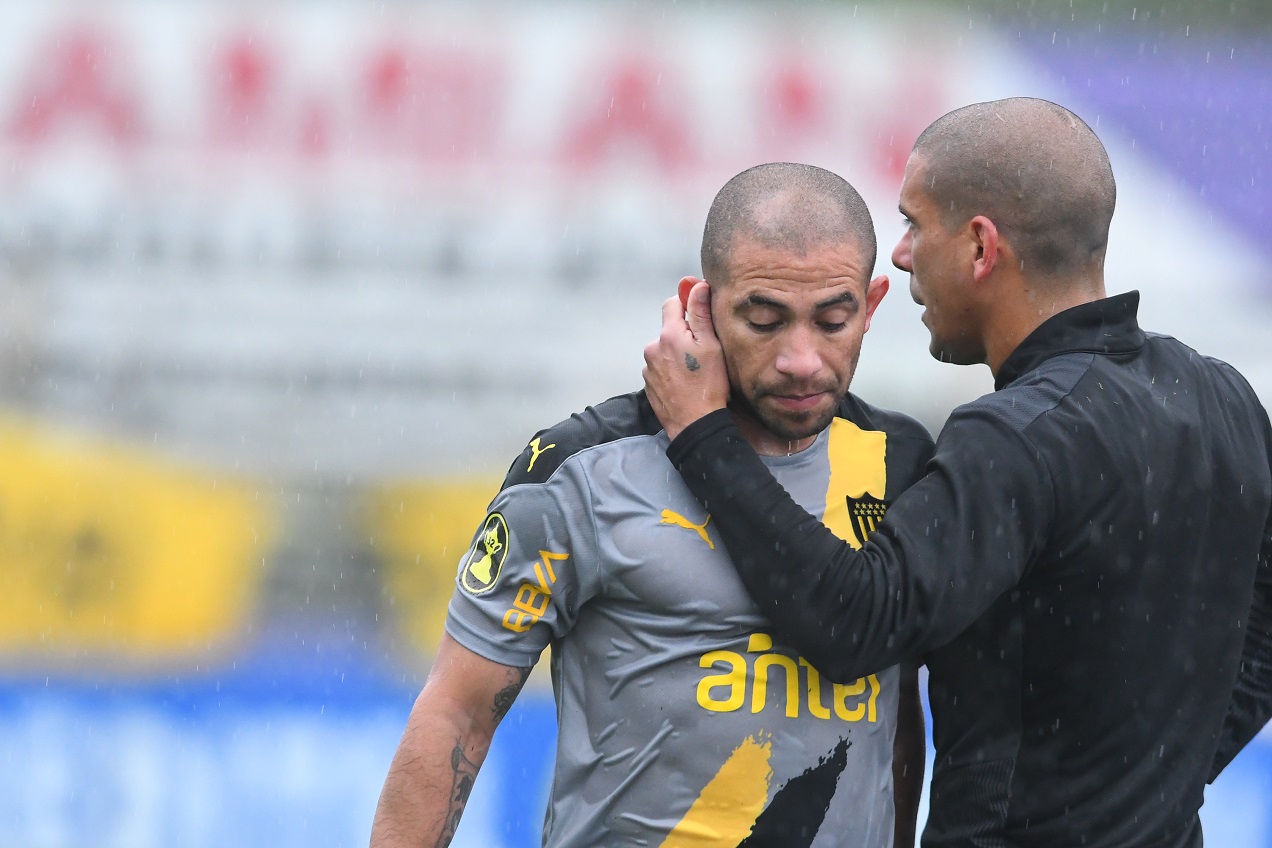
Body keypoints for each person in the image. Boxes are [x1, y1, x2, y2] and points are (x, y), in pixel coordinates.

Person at [642, 97, 1272, 847]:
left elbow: (855, 622)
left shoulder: (1016, 437)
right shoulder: (1221, 395)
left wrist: (703, 433)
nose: (901, 254)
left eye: (913, 224)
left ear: (980, 247)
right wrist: (1157, 779)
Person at [369, 163, 935, 848]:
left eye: (834, 320)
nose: (801, 358)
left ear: (872, 306)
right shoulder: (579, 472)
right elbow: (456, 715)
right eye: (763, 318)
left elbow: (900, 718)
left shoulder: (900, 463)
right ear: (702, 305)